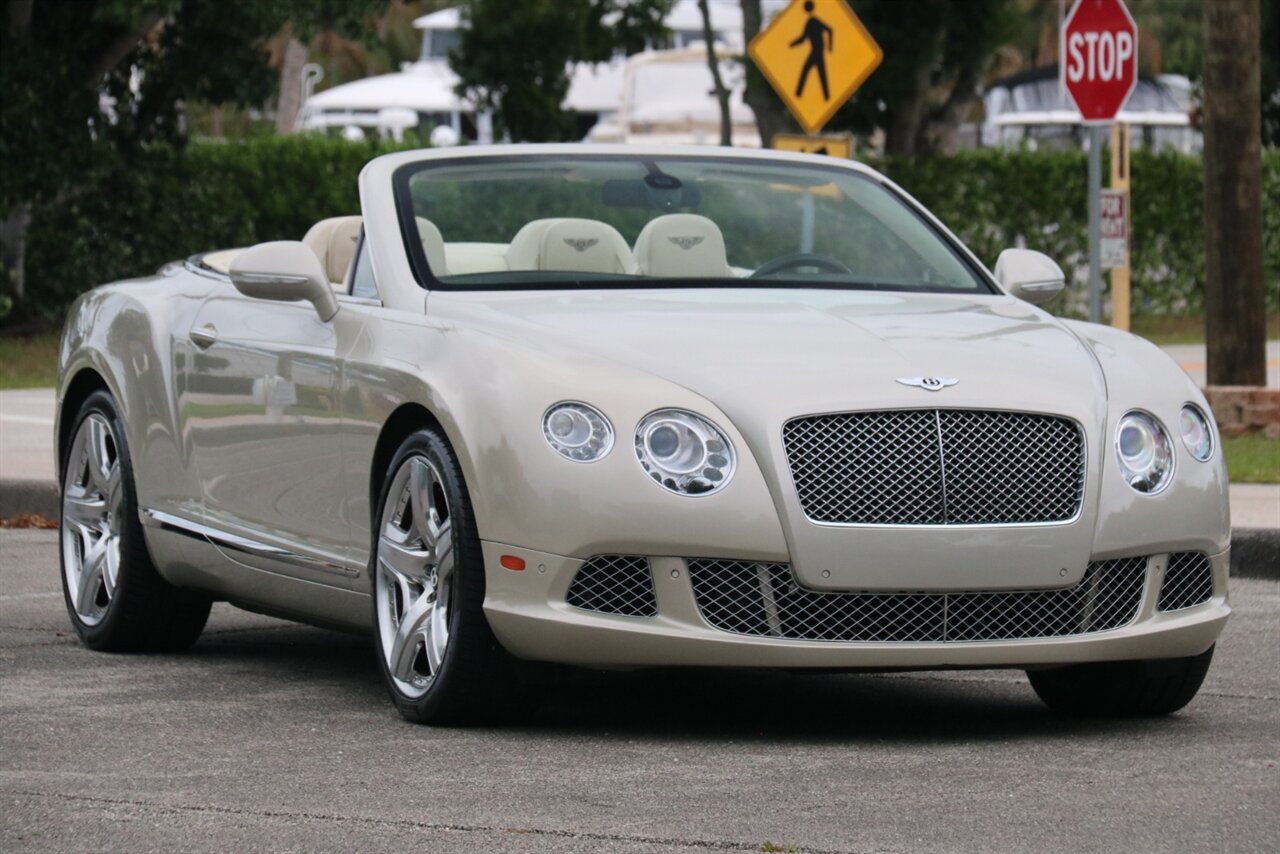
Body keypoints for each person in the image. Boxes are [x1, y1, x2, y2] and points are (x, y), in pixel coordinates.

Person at [790, 0, 833, 100]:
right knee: (821, 73)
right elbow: (803, 39)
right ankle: (826, 97)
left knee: (807, 70)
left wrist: (830, 46)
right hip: (817, 51)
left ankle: (798, 94)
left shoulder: (813, 21)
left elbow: (830, 30)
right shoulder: (811, 21)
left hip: (816, 51)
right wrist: (792, 44)